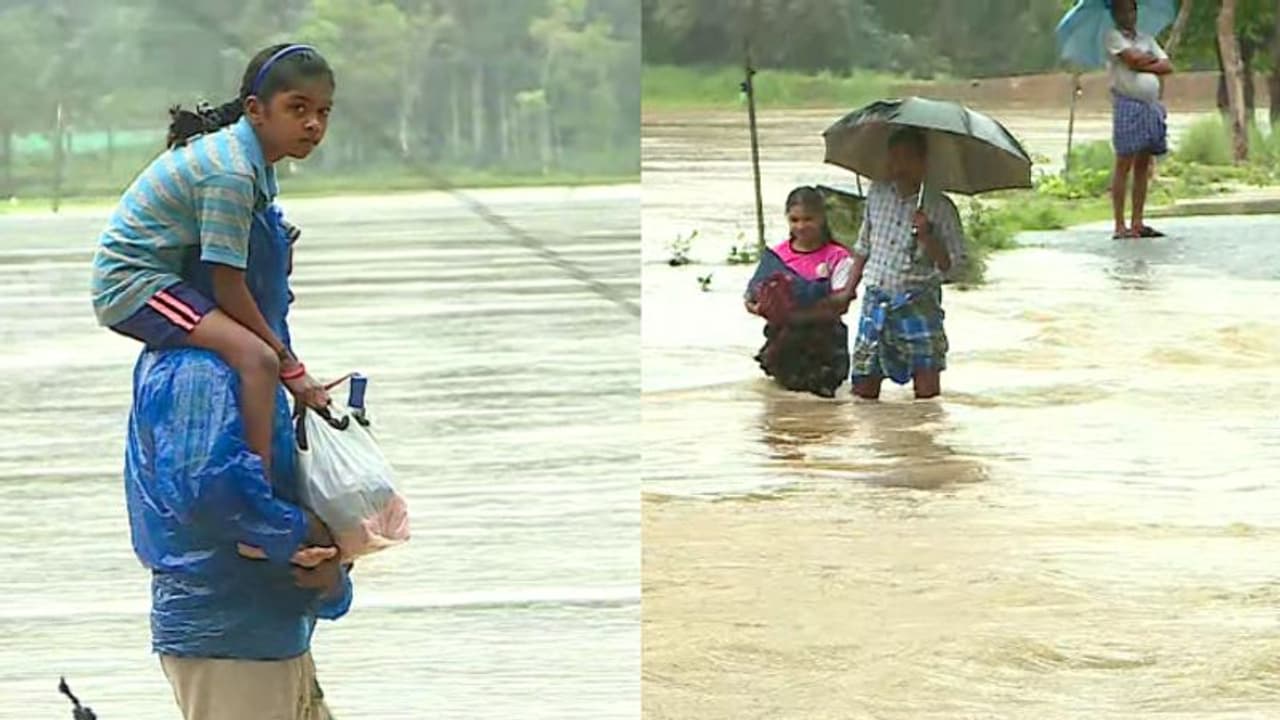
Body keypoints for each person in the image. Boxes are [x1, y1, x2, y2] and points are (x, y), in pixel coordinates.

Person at [91, 44, 336, 479]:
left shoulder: (254, 160)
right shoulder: (231, 172)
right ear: (255, 110)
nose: (313, 124)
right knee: (258, 360)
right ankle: (256, 503)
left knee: (262, 354)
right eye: (297, 108)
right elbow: (228, 286)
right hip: (136, 284)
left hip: (172, 271)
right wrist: (290, 366)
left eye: (323, 111)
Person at [844, 127, 967, 400]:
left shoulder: (941, 207)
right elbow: (863, 246)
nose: (899, 167)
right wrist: (848, 290)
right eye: (894, 158)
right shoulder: (877, 193)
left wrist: (928, 236)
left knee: (927, 393)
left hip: (919, 302)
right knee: (863, 385)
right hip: (876, 300)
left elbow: (955, 268)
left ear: (924, 163)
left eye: (908, 159)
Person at [744, 186, 854, 398]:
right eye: (794, 220)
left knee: (823, 414)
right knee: (785, 413)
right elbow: (750, 298)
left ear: (822, 218)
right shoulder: (776, 256)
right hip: (784, 345)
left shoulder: (838, 257)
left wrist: (796, 314)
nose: (801, 226)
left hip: (824, 347)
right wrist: (763, 307)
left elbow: (841, 305)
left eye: (808, 219)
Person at [1105, 0, 1174, 239]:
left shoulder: (1146, 38)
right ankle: (1119, 225)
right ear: (1114, 14)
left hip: (1150, 105)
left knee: (1144, 163)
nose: (1128, 14)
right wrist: (1147, 62)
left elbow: (1167, 66)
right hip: (1127, 104)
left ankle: (1137, 221)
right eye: (1123, 10)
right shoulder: (1113, 37)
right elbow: (1131, 60)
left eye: (1132, 9)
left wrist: (1142, 62)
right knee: (1124, 162)